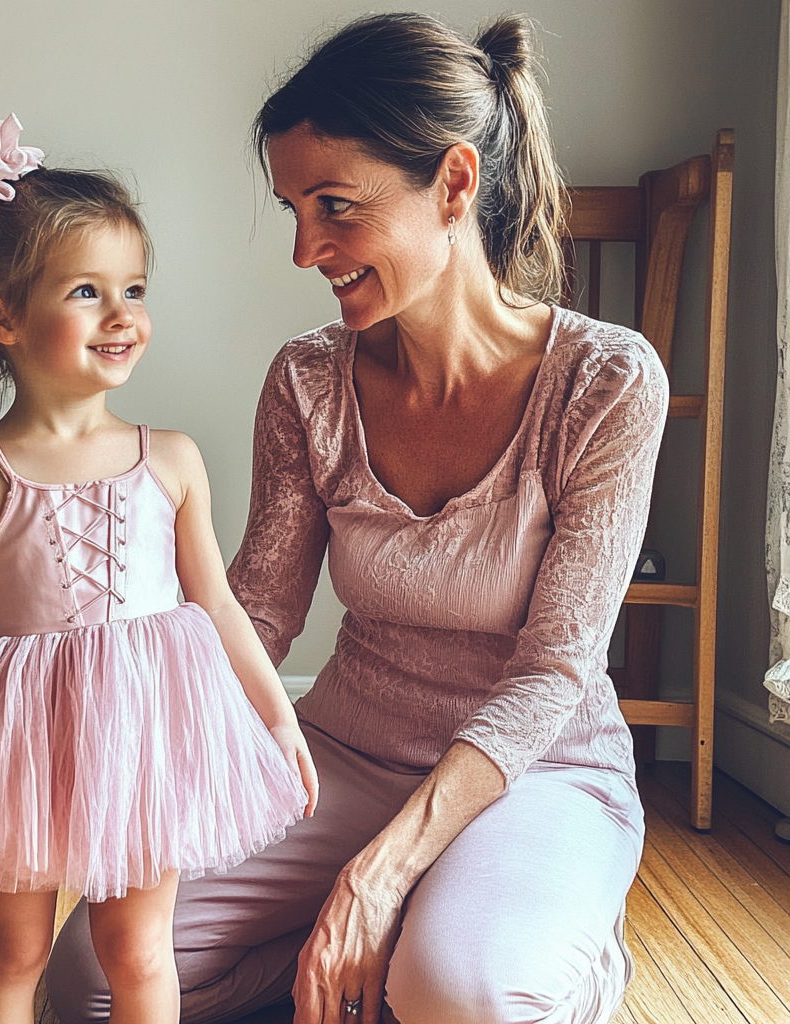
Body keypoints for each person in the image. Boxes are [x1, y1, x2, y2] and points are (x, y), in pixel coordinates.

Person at [46, 11, 669, 1024]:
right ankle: (386, 961)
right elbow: (258, 609)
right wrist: (144, 743)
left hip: (536, 773)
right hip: (341, 752)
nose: (304, 248)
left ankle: (540, 956)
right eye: (293, 208)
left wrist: (381, 872)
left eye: (335, 205)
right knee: (92, 981)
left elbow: (556, 668)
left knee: (466, 996)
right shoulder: (308, 379)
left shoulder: (603, 382)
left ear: (455, 185)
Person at [0, 113, 318, 1024]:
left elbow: (216, 604)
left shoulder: (171, 459)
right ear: (1, 317)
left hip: (144, 736)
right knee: (14, 953)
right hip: (17, 742)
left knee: (137, 952)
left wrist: (275, 721)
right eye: (88, 293)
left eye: (133, 288)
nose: (123, 315)